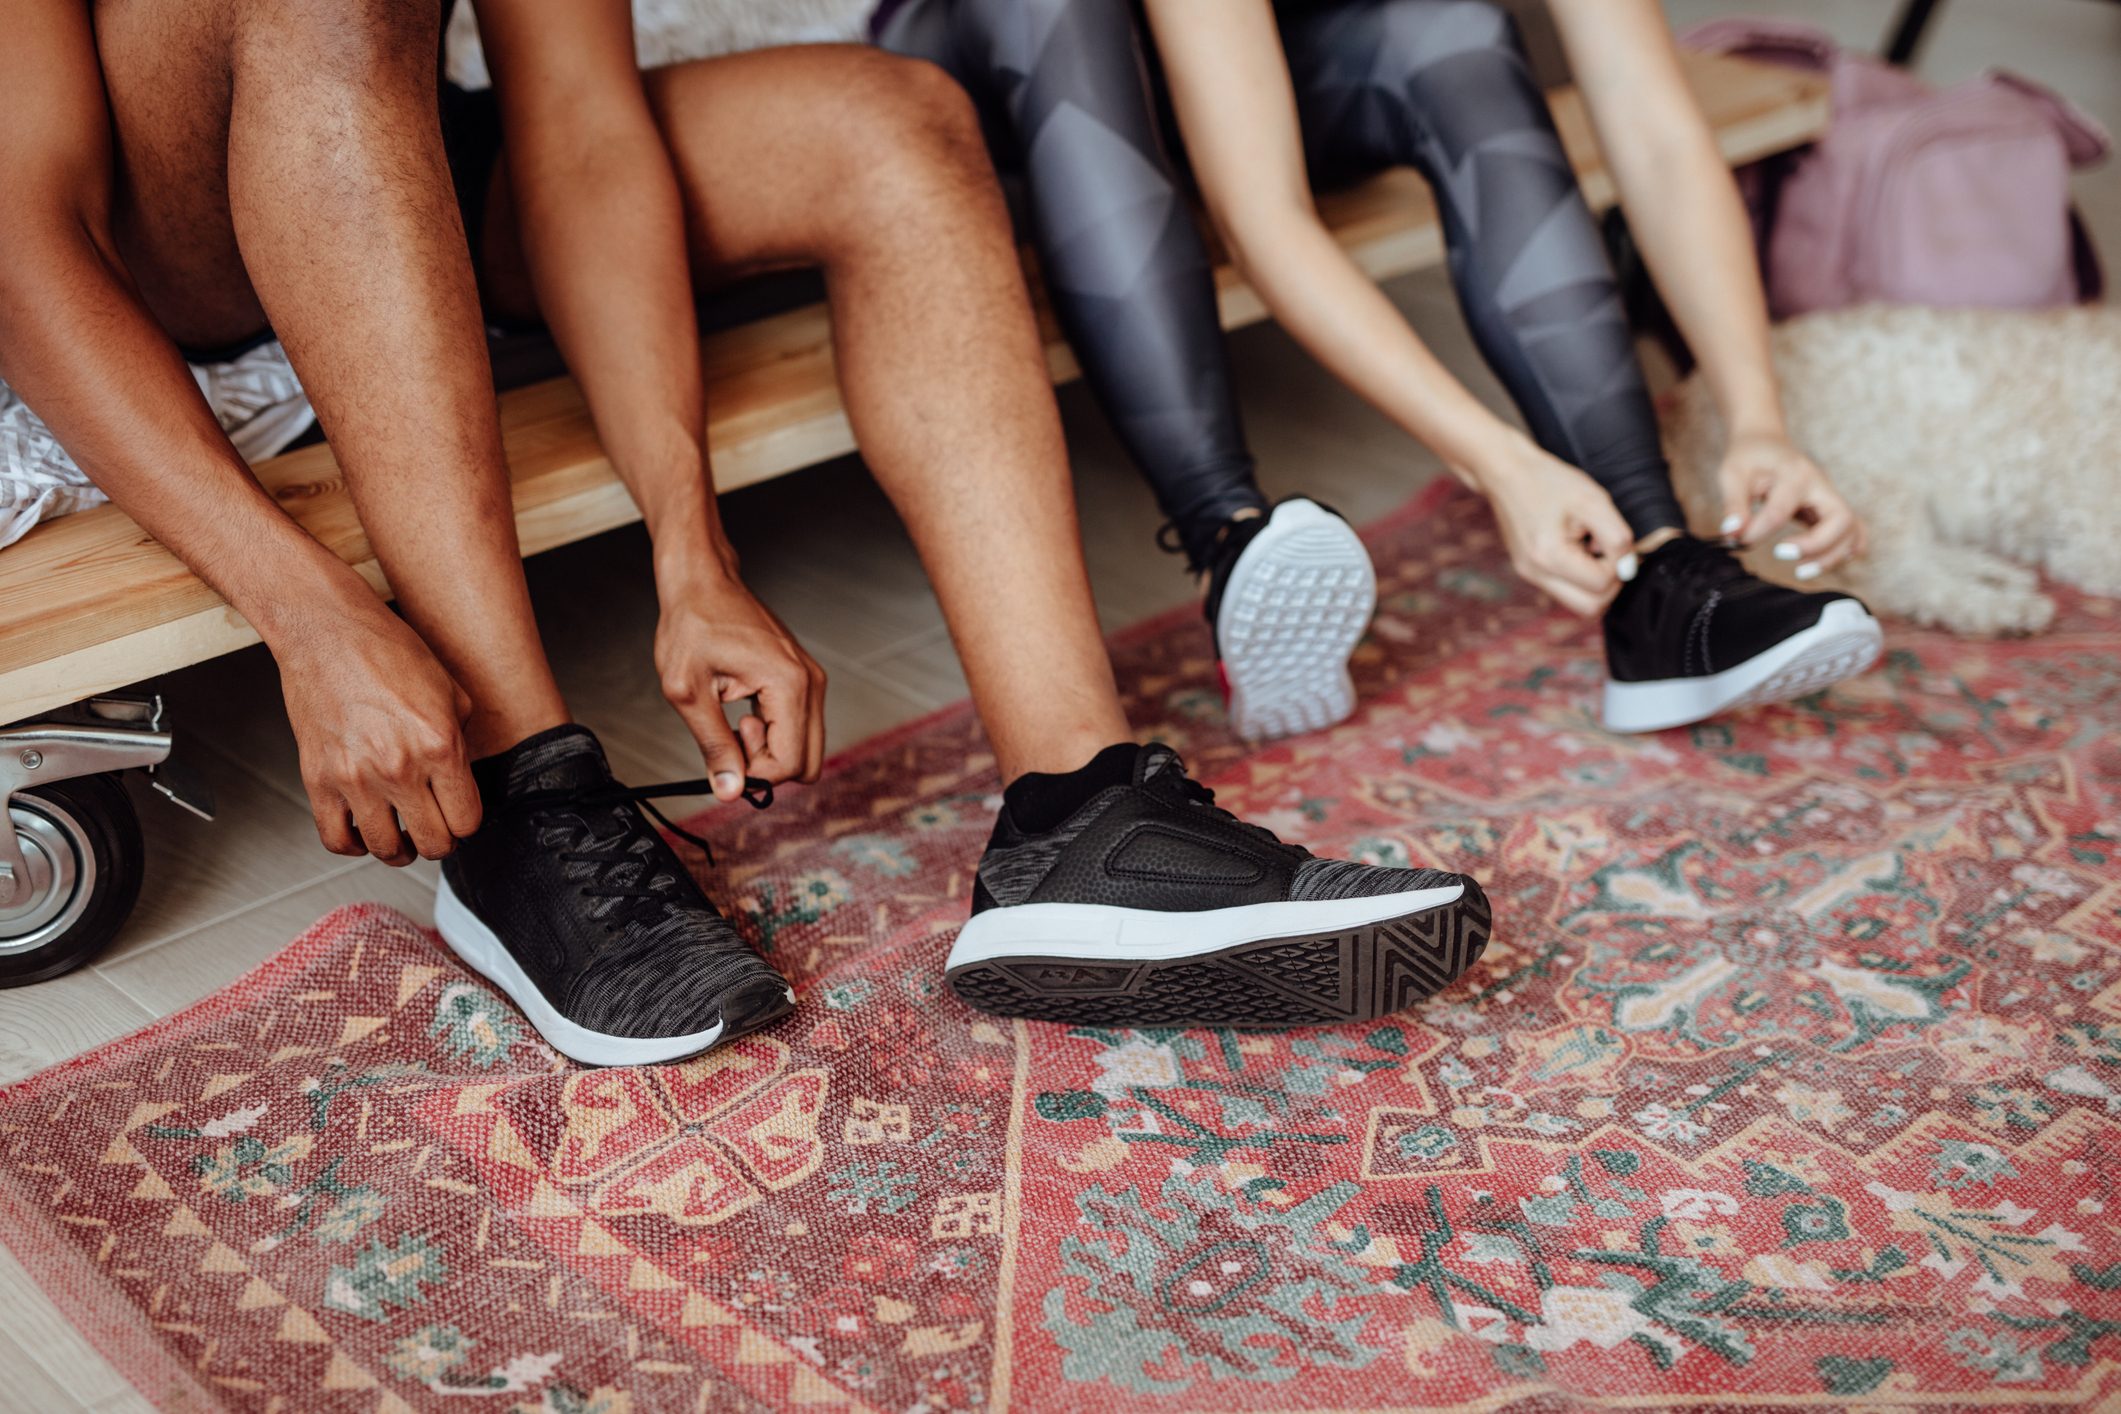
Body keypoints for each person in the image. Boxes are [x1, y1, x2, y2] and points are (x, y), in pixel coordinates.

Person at [2, 0, 1490, 1063]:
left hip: (385, 126)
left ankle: (1082, 815)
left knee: (887, 121)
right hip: (150, 206)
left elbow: (580, 129)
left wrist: (688, 551)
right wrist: (309, 611)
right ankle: (531, 802)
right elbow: (22, 236)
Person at [873, 0, 1886, 737]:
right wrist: (1497, 461)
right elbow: (1260, 216)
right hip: (1010, 59)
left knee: (1453, 31)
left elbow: (1656, 128)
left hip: (1282, 57)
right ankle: (1230, 541)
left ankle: (1659, 575)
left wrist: (1756, 416)